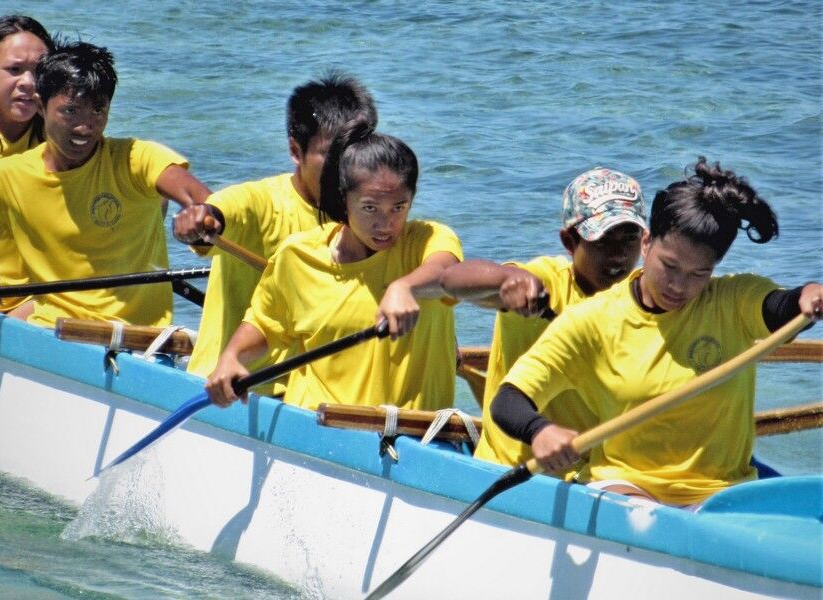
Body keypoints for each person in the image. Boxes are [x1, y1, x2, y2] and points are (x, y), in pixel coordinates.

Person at [492, 157, 822, 507]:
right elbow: (508, 399)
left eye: (699, 274)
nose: (679, 286)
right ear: (647, 243)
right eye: (669, 265)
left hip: (724, 491)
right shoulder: (592, 320)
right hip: (626, 488)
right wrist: (539, 431)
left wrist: (810, 294)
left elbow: (781, 305)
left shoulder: (733, 301)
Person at [206, 118, 462, 411]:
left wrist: (406, 287)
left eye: (399, 207)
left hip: (413, 436)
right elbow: (265, 325)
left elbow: (448, 272)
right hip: (319, 428)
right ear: (343, 200)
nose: (386, 223)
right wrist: (231, 358)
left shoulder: (427, 240)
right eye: (369, 208)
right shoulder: (297, 257)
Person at [172, 72, 377, 391]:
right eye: (330, 154)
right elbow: (219, 212)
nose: (345, 168)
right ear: (296, 151)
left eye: (354, 152)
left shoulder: (374, 220)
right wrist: (199, 222)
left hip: (306, 399)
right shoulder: (259, 202)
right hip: (228, 390)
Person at [0, 40, 211, 327]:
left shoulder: (135, 158)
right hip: (52, 330)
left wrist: (205, 217)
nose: (85, 126)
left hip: (140, 338)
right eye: (71, 111)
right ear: (41, 106)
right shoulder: (7, 176)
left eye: (98, 111)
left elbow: (208, 201)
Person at [440, 167, 646, 473]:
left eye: (628, 239)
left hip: (601, 476)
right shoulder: (547, 283)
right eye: (602, 241)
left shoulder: (648, 297)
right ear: (569, 241)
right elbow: (452, 279)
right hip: (513, 472)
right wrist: (509, 280)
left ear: (645, 240)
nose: (617, 255)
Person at [0, 15, 54, 318]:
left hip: (42, 301)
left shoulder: (65, 143)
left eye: (39, 72)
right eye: (14, 70)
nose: (29, 83)